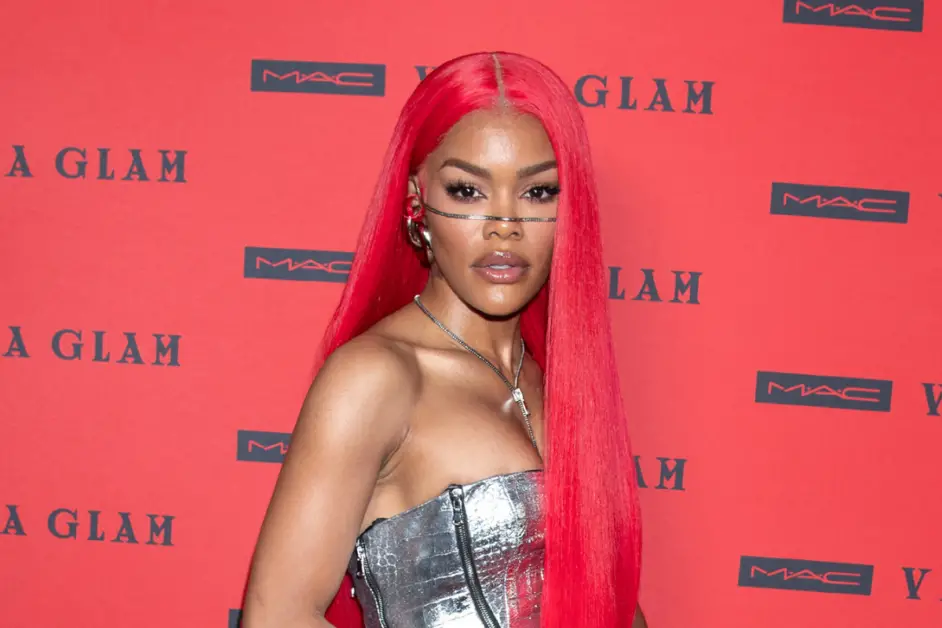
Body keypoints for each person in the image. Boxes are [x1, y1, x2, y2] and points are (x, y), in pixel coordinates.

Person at [242, 51, 647, 628]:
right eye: (467, 191)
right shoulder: (377, 378)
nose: (504, 226)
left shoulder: (559, 382)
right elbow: (276, 616)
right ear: (417, 201)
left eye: (538, 193)